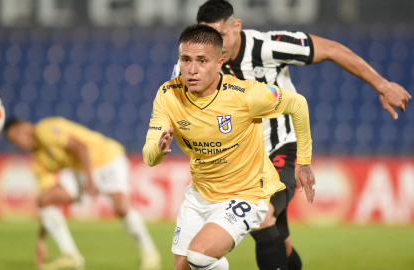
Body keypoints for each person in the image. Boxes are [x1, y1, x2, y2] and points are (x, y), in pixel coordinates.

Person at [171, 1, 411, 269]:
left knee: (264, 217)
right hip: (240, 165)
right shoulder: (196, 64)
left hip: (279, 150)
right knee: (280, 243)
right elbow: (179, 106)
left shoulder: (268, 46)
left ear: (236, 26)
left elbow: (331, 49)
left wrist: (383, 84)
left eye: (220, 36)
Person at [144, 24, 315, 270]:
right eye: (185, 59)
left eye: (202, 60)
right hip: (200, 194)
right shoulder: (168, 95)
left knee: (200, 256)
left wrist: (304, 162)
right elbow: (149, 157)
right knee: (182, 267)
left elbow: (298, 104)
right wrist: (158, 150)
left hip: (245, 192)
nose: (192, 70)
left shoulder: (245, 95)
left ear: (219, 62)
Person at [5, 117, 161, 270]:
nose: (20, 140)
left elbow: (81, 147)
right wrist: (40, 239)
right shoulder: (39, 161)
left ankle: (150, 252)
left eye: (19, 132)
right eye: (14, 140)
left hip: (107, 158)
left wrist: (90, 180)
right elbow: (46, 199)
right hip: (81, 169)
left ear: (27, 125)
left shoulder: (45, 130)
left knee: (121, 209)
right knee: (44, 200)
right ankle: (71, 256)